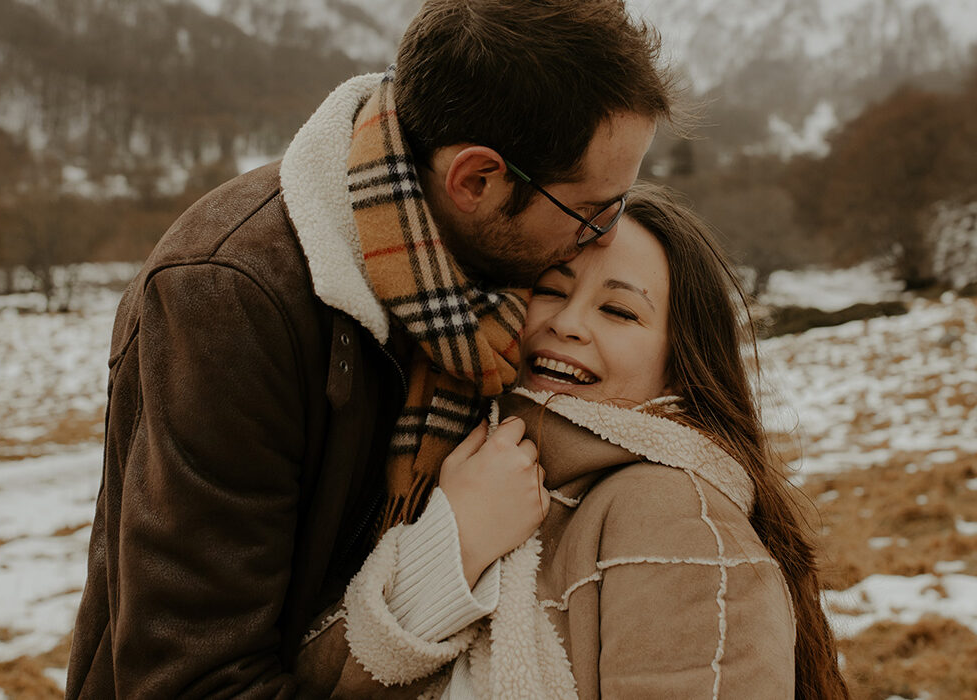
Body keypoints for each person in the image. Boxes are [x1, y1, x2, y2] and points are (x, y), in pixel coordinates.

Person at [65, 0, 673, 697]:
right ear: (475, 180)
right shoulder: (230, 300)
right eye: (592, 209)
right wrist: (450, 547)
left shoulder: (496, 289)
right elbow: (194, 682)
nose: (602, 236)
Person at [297, 184, 850, 698]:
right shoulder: (455, 461)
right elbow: (309, 683)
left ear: (681, 365)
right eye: (550, 289)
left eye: (618, 310)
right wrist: (452, 546)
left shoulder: (672, 513)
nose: (568, 323)